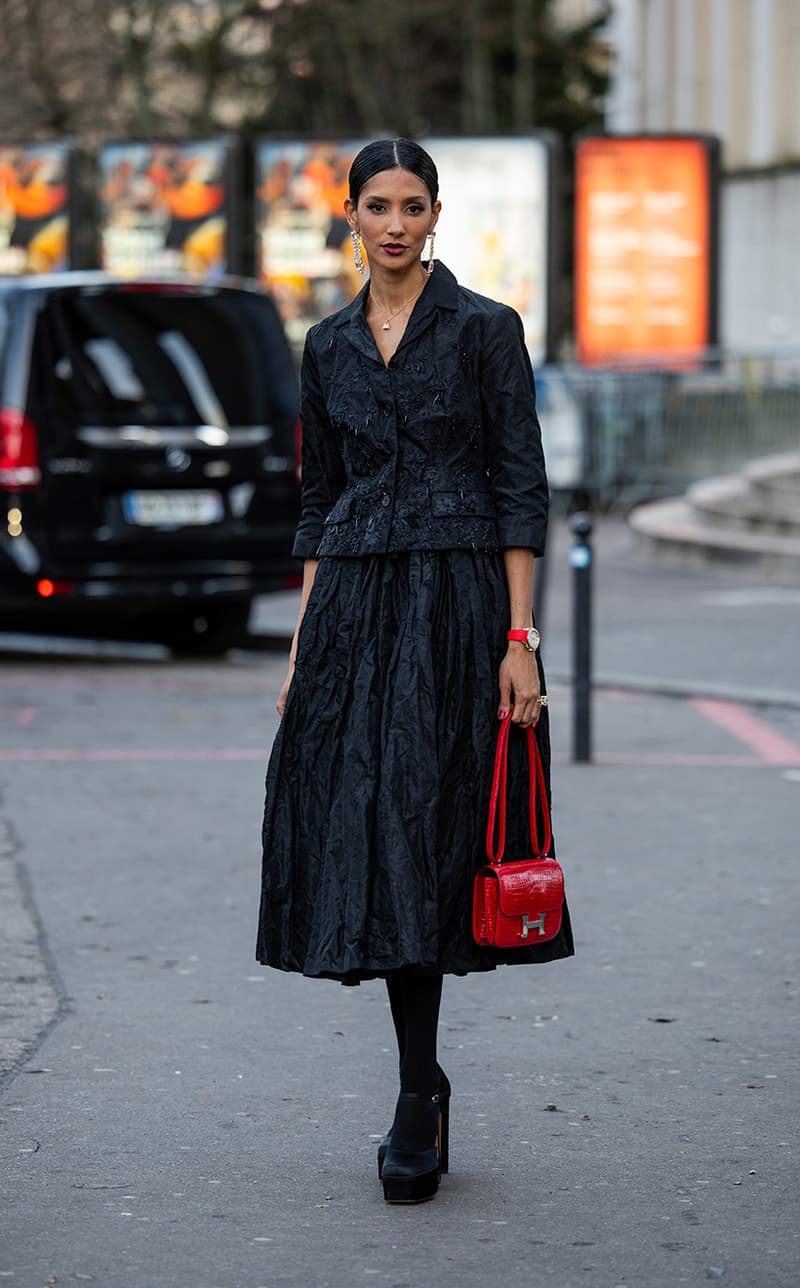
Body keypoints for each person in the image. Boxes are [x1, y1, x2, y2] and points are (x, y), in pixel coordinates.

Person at [257, 138, 574, 1204]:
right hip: (352, 606)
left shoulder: (485, 330)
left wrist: (519, 641)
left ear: (435, 214)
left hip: (454, 605)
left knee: (430, 832)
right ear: (349, 216)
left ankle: (412, 1093)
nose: (394, 223)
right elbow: (318, 495)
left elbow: (518, 487)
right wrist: (305, 640)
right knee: (363, 824)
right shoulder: (326, 343)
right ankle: (418, 1083)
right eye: (375, 206)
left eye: (411, 205)